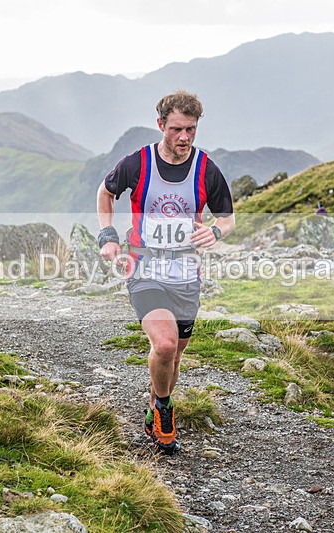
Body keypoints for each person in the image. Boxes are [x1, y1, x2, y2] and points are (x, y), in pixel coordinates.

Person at [97, 90, 235, 455]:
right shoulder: (138, 163)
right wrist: (108, 235)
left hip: (186, 273)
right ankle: (163, 408)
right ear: (161, 125)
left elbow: (228, 217)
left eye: (191, 129)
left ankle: (155, 404)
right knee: (165, 344)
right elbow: (105, 192)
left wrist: (216, 231)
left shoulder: (206, 169)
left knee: (174, 357)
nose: (184, 137)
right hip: (144, 268)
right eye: (176, 129)